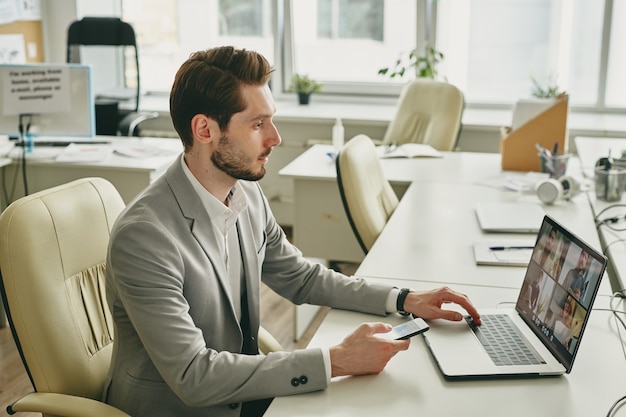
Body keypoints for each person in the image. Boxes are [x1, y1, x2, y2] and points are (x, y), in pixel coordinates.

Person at [104, 46, 481, 417]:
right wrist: (336, 360)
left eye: (271, 119)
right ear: (204, 129)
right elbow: (194, 376)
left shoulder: (244, 192)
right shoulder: (146, 237)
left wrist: (404, 298)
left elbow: (301, 278)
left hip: (244, 394)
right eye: (257, 124)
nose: (275, 137)